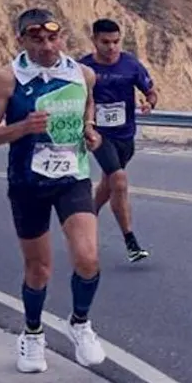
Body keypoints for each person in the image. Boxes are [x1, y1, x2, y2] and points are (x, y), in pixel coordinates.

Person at [0, 8, 107, 372]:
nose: (47, 46)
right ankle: (32, 335)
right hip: (27, 183)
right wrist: (22, 129)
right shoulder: (7, 78)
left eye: (53, 37)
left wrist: (89, 129)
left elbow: (87, 106)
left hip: (72, 178)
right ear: (22, 40)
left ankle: (79, 323)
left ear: (63, 36)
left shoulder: (83, 73)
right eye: (37, 39)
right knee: (39, 269)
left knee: (88, 257)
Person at [78, 18, 158, 262]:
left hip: (125, 135)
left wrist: (149, 102)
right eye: (105, 42)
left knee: (108, 183)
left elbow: (151, 91)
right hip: (99, 134)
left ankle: (82, 220)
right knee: (119, 181)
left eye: (115, 42)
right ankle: (131, 241)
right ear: (94, 40)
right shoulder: (84, 68)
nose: (111, 47)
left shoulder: (131, 64)